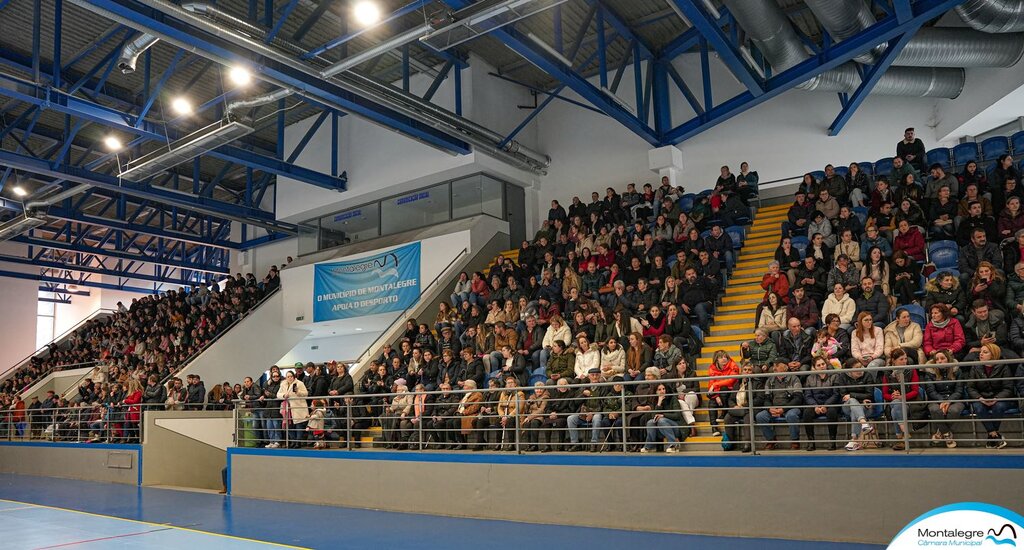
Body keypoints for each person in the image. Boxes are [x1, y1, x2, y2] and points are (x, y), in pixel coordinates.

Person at [965, 343, 1013, 449]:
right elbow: (970, 387)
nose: (981, 354)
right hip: (981, 398)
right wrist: (980, 398)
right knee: (978, 407)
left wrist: (996, 398)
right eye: (980, 352)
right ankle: (995, 435)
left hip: (999, 398)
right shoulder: (976, 366)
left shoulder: (1004, 366)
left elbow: (1008, 388)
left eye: (985, 352)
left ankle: (991, 438)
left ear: (994, 354)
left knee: (999, 407)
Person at [881, 348, 924, 451]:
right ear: (893, 361)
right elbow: (884, 394)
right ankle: (904, 434)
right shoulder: (887, 373)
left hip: (911, 402)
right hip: (895, 403)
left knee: (895, 408)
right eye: (901, 359)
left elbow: (915, 391)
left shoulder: (911, 370)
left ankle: (900, 437)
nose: (905, 361)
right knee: (896, 404)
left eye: (905, 359)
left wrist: (902, 397)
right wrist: (892, 396)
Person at [755, 362, 804, 450]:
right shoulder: (770, 380)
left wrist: (784, 409)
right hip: (774, 407)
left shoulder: (794, 378)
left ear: (785, 367)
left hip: (790, 407)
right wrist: (770, 408)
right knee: (760, 416)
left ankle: (795, 440)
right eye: (774, 366)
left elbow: (798, 398)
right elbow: (766, 398)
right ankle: (771, 440)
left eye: (777, 365)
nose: (775, 367)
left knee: (791, 415)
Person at [923, 350, 963, 449]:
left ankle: (940, 433)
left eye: (942, 358)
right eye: (937, 359)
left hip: (955, 399)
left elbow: (959, 390)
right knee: (935, 410)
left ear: (948, 359)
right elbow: (931, 391)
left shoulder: (957, 371)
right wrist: (942, 400)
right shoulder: (930, 373)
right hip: (936, 400)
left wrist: (949, 401)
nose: (939, 361)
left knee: (954, 410)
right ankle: (947, 434)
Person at [837, 359, 877, 452]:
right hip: (847, 406)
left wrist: (852, 395)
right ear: (849, 370)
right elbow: (844, 396)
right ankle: (864, 423)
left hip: (866, 406)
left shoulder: (867, 375)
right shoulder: (843, 377)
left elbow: (870, 394)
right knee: (852, 401)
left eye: (861, 367)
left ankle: (854, 439)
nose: (860, 370)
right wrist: (859, 398)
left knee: (854, 411)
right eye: (857, 368)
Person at [802, 356, 840, 451]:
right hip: (815, 405)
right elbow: (808, 396)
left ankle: (832, 441)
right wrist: (815, 406)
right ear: (814, 367)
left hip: (831, 404)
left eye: (823, 364)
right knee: (807, 413)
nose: (822, 366)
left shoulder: (834, 376)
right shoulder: (810, 378)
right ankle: (811, 441)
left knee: (832, 412)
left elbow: (836, 394)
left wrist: (826, 405)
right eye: (818, 365)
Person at [640, 383, 683, 453]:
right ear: (656, 392)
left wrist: (663, 415)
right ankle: (649, 446)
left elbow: (677, 415)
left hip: (675, 426)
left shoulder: (673, 398)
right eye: (659, 390)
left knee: (661, 420)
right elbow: (654, 417)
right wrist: (659, 403)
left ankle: (673, 445)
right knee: (650, 422)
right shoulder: (655, 401)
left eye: (663, 389)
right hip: (662, 428)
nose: (662, 391)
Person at [706, 350, 739, 435]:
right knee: (711, 399)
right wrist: (716, 396)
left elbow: (731, 381)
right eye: (721, 357)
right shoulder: (712, 368)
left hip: (731, 392)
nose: (724, 359)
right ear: (716, 359)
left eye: (725, 357)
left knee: (724, 388)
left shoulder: (733, 365)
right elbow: (711, 384)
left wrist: (715, 385)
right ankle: (714, 427)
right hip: (719, 393)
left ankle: (724, 412)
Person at [277, 370, 309, 449]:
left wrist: (298, 392)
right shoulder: (283, 384)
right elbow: (278, 394)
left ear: (293, 376)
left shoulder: (299, 383)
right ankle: (294, 441)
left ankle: (298, 442)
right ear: (286, 377)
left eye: (291, 376)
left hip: (298, 407)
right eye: (288, 376)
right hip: (288, 408)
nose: (290, 378)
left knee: (299, 426)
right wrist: (284, 395)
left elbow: (306, 393)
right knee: (289, 425)